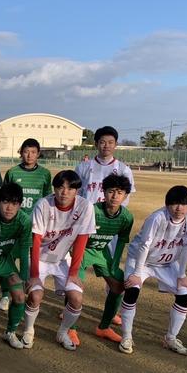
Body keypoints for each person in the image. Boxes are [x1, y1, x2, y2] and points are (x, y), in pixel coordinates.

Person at [118, 186, 187, 356]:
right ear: (167, 204)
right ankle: (126, 337)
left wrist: (182, 275)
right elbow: (144, 245)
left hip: (167, 263)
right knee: (132, 290)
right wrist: (137, 274)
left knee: (185, 293)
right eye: (175, 203)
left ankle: (171, 338)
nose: (179, 208)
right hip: (141, 260)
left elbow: (186, 247)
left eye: (184, 204)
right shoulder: (157, 217)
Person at [23, 170, 96, 351]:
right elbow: (35, 241)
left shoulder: (85, 207)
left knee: (76, 298)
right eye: (60, 187)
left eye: (70, 188)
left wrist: (73, 273)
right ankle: (29, 329)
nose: (64, 192)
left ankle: (63, 332)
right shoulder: (43, 205)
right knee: (35, 295)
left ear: (77, 191)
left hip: (61, 259)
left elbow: (81, 240)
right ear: (54, 188)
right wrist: (34, 275)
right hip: (38, 258)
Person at [75, 125, 135, 327]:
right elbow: (77, 194)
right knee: (76, 270)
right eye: (102, 142)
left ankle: (111, 312)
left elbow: (125, 199)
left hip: (109, 226)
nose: (106, 146)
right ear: (96, 144)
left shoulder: (124, 169)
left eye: (110, 142)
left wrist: (111, 216)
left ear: (115, 145)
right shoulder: (84, 167)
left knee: (112, 271)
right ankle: (71, 307)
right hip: (86, 224)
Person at [68, 174, 134, 346]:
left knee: (118, 284)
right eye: (111, 191)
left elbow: (121, 240)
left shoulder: (126, 217)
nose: (115, 196)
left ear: (125, 195)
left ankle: (104, 327)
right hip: (81, 249)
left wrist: (115, 264)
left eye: (120, 192)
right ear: (104, 192)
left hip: (101, 251)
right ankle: (70, 328)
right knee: (75, 287)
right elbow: (78, 235)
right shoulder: (93, 211)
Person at [0, 138, 52, 311]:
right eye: (26, 151)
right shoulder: (13, 172)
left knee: (29, 259)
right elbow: (5, 196)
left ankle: (24, 289)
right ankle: (5, 295)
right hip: (13, 224)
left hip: (35, 226)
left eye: (33, 152)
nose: (29, 155)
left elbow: (47, 199)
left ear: (38, 154)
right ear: (21, 152)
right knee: (7, 257)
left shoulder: (45, 174)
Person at [0, 183, 32, 349]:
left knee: (19, 296)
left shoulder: (24, 221)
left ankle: (10, 332)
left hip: (4, 261)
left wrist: (24, 277)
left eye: (14, 203)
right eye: (5, 202)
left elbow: (24, 250)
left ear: (20, 205)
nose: (9, 208)